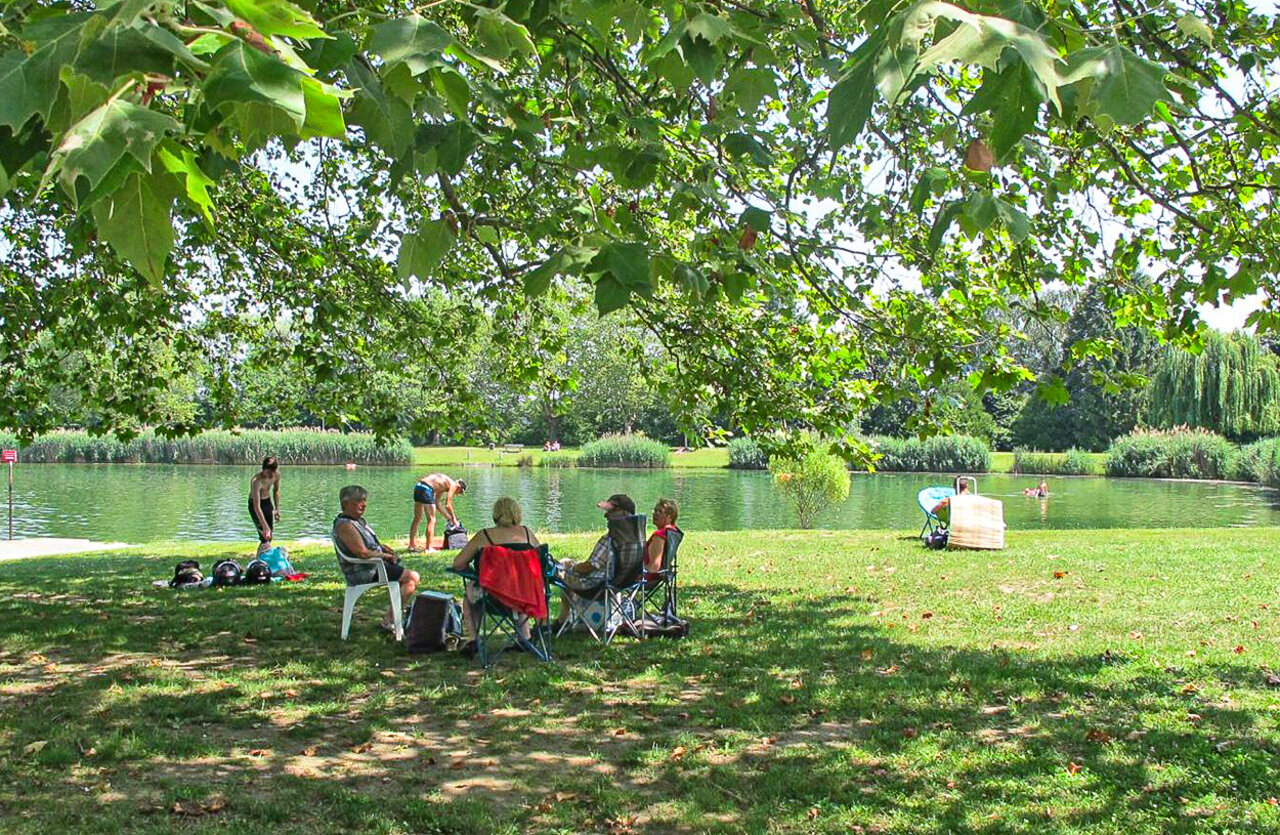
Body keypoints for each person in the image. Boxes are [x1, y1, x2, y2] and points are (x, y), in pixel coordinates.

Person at [452, 497, 542, 653]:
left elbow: (458, 564)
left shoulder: (484, 536)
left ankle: (473, 640)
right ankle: (525, 637)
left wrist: (477, 574)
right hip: (527, 596)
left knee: (471, 592)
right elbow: (542, 559)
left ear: (495, 514)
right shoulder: (527, 534)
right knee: (518, 584)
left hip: (492, 598)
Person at [333, 485, 419, 632]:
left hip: (373, 566)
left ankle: (393, 617)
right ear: (346, 503)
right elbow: (362, 553)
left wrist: (384, 548)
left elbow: (369, 544)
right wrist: (384, 556)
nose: (363, 504)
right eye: (358, 501)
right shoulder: (346, 525)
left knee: (406, 576)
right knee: (412, 577)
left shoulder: (357, 521)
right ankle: (391, 620)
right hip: (364, 571)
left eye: (364, 500)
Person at [552, 493, 635, 628]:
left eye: (610, 512)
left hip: (596, 585)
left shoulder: (609, 540)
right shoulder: (636, 540)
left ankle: (562, 619)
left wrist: (570, 569)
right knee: (567, 562)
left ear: (623, 514)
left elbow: (589, 567)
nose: (606, 516)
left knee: (560, 568)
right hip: (622, 583)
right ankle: (567, 619)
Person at [408, 473, 467, 552]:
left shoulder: (444, 485)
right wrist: (454, 520)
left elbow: (437, 503)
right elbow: (448, 505)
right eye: (459, 492)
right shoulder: (454, 485)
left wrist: (449, 519)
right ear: (460, 487)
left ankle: (411, 545)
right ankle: (428, 548)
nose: (457, 494)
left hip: (419, 486)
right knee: (432, 520)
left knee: (417, 518)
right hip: (427, 489)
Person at [644, 497, 680, 586]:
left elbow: (654, 567)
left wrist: (631, 573)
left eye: (660, 511)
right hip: (658, 576)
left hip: (646, 578)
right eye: (655, 510)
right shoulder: (672, 532)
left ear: (669, 517)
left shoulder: (660, 535)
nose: (655, 514)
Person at [248, 457, 281, 543]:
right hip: (255, 504)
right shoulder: (256, 481)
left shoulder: (276, 475)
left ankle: (264, 554)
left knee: (269, 536)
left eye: (272, 472)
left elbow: (276, 491)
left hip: (267, 502)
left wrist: (277, 509)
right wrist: (265, 525)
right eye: (267, 472)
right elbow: (256, 506)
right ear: (263, 469)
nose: (269, 475)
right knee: (264, 534)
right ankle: (262, 555)